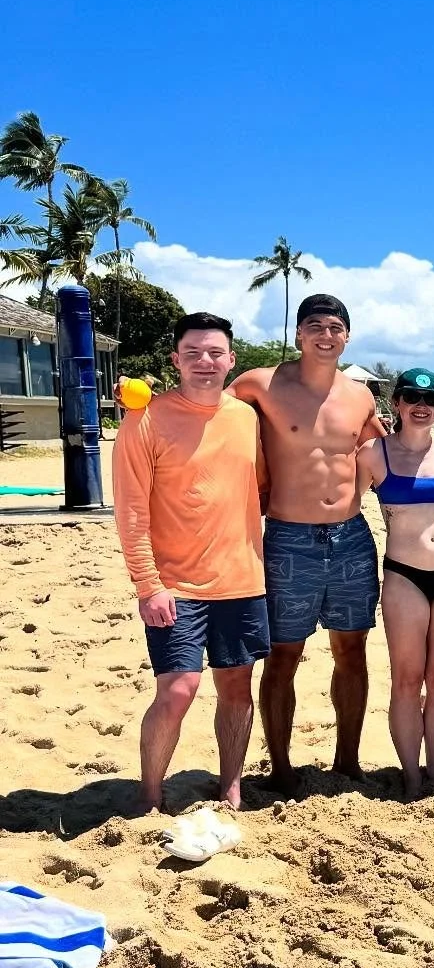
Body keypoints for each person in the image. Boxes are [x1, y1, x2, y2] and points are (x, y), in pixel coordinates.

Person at [112, 312, 269, 813]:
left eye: (216, 352)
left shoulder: (245, 417)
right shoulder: (146, 419)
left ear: (232, 359)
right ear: (176, 360)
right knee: (179, 690)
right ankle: (150, 794)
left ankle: (231, 788)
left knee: (237, 691)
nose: (206, 362)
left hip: (242, 581)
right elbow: (131, 510)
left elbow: (257, 489)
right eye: (194, 353)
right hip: (174, 585)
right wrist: (147, 585)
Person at [230, 294, 384, 791]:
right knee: (284, 655)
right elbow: (203, 415)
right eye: (314, 325)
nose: (325, 334)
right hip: (288, 539)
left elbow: (390, 454)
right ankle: (280, 767)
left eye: (335, 327)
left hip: (351, 537)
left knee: (352, 652)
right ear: (298, 334)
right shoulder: (260, 383)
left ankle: (348, 761)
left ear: (346, 337)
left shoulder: (360, 396)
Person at [355, 369, 434, 798]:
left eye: (432, 400)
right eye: (412, 397)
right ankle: (410, 774)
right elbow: (343, 507)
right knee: (407, 678)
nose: (422, 406)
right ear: (397, 403)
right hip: (403, 575)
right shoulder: (373, 453)